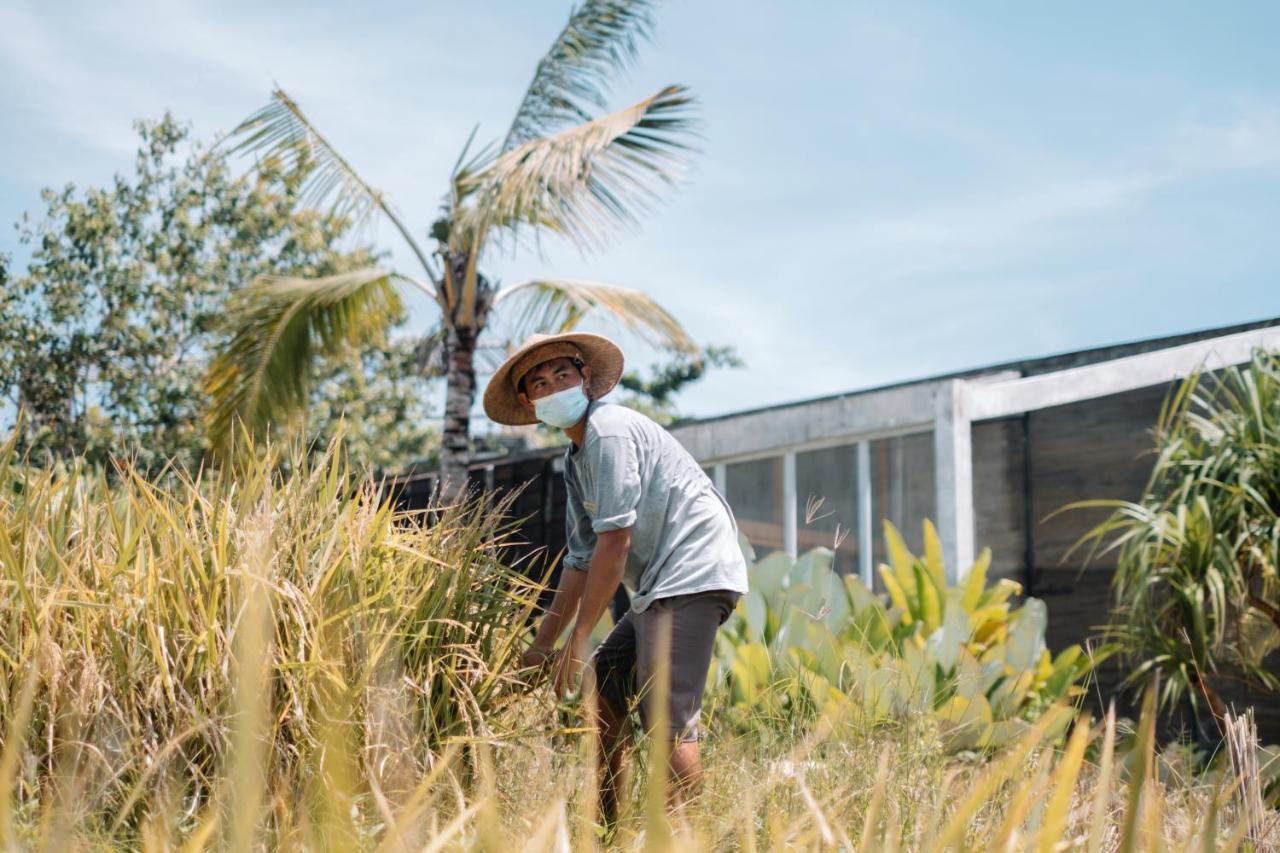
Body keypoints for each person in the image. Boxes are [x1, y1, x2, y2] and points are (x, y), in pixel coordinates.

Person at [481, 331, 749, 827]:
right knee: (606, 679)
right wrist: (542, 649)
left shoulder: (609, 432)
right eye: (539, 382)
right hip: (658, 586)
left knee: (666, 714)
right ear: (528, 400)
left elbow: (614, 544)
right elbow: (580, 561)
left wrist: (579, 635)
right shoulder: (576, 458)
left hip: (691, 571)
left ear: (585, 377)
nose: (553, 386)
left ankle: (686, 838)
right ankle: (607, 825)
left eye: (562, 374)